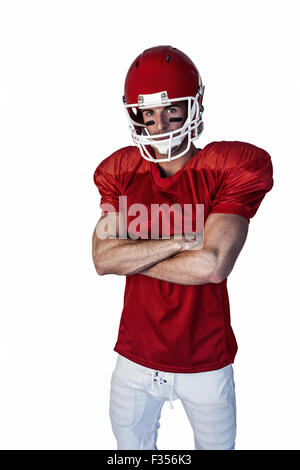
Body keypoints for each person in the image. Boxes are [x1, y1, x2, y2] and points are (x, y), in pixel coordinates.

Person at [92, 45, 274, 450]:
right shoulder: (122, 172)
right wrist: (178, 240)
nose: (159, 125)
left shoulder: (225, 168)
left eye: (171, 109)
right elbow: (103, 260)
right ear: (134, 114)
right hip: (134, 356)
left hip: (204, 359)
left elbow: (211, 264)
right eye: (149, 114)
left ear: (194, 105)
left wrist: (134, 253)